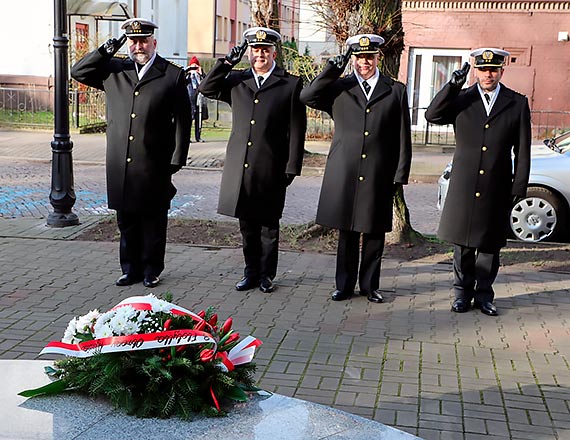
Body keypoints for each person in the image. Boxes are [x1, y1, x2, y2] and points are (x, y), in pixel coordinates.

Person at [71, 18, 191, 288]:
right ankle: (130, 268)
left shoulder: (171, 74)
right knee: (126, 220)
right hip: (120, 162)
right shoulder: (114, 70)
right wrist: (107, 49)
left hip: (154, 161)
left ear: (154, 43)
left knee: (153, 219)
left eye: (143, 40)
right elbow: (78, 71)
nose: (138, 46)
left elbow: (184, 121)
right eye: (133, 41)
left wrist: (176, 160)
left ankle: (151, 269)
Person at [300, 34, 412, 303]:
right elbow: (307, 95)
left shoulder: (394, 90)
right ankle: (344, 285)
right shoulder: (339, 87)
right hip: (346, 169)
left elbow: (402, 135)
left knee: (374, 232)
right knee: (347, 231)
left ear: (377, 58)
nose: (365, 62)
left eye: (369, 57)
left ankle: (370, 286)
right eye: (360, 57)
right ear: (353, 59)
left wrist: (400, 174)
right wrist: (331, 70)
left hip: (378, 171)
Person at [198, 26, 306, 293]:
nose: (260, 55)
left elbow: (297, 129)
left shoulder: (289, 84)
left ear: (273, 53)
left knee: (269, 225)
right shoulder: (236, 80)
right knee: (246, 225)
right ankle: (250, 272)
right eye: (256, 50)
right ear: (249, 53)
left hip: (271, 166)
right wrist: (226, 63)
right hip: (241, 167)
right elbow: (206, 88)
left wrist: (292, 167)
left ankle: (267, 275)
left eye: (265, 50)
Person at [425, 48, 531, 316]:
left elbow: (523, 150)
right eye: (483, 70)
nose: (488, 74)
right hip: (464, 183)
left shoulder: (516, 103)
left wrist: (518, 186)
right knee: (462, 244)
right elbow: (432, 115)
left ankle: (484, 296)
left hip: (496, 184)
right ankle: (462, 294)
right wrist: (452, 85)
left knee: (489, 245)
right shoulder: (462, 99)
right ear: (476, 71)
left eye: (493, 70)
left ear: (501, 72)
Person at [185, 56, 206, 142]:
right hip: (189, 100)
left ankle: (198, 136)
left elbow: (207, 83)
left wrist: (201, 73)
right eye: (192, 66)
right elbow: (182, 81)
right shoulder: (187, 76)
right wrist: (187, 71)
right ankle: (188, 137)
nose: (194, 69)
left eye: (195, 66)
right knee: (188, 120)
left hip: (199, 100)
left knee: (199, 119)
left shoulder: (200, 76)